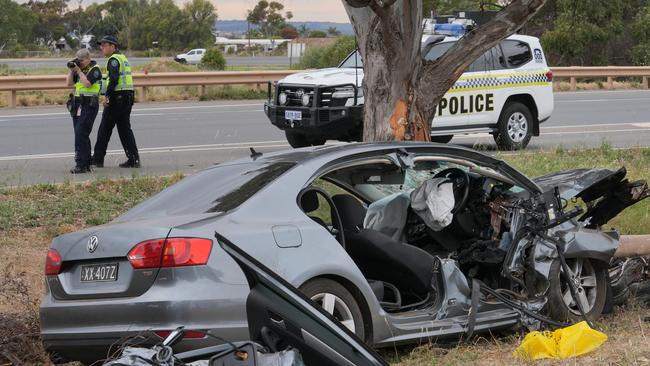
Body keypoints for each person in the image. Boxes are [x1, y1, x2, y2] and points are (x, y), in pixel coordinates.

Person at [92, 35, 140, 168]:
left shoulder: (113, 60)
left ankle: (97, 159)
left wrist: (107, 95)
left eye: (104, 45)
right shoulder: (123, 58)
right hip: (127, 97)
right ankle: (134, 159)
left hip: (117, 98)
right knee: (125, 130)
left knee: (104, 129)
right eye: (101, 45)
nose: (102, 48)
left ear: (113, 46)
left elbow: (113, 79)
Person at [66, 48, 103, 174]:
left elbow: (87, 83)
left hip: (89, 105)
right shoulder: (78, 70)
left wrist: (79, 71)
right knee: (80, 134)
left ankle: (81, 164)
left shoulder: (95, 69)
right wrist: (72, 71)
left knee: (81, 133)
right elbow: (68, 84)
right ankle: (86, 163)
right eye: (78, 61)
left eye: (81, 61)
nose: (80, 63)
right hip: (77, 105)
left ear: (88, 59)